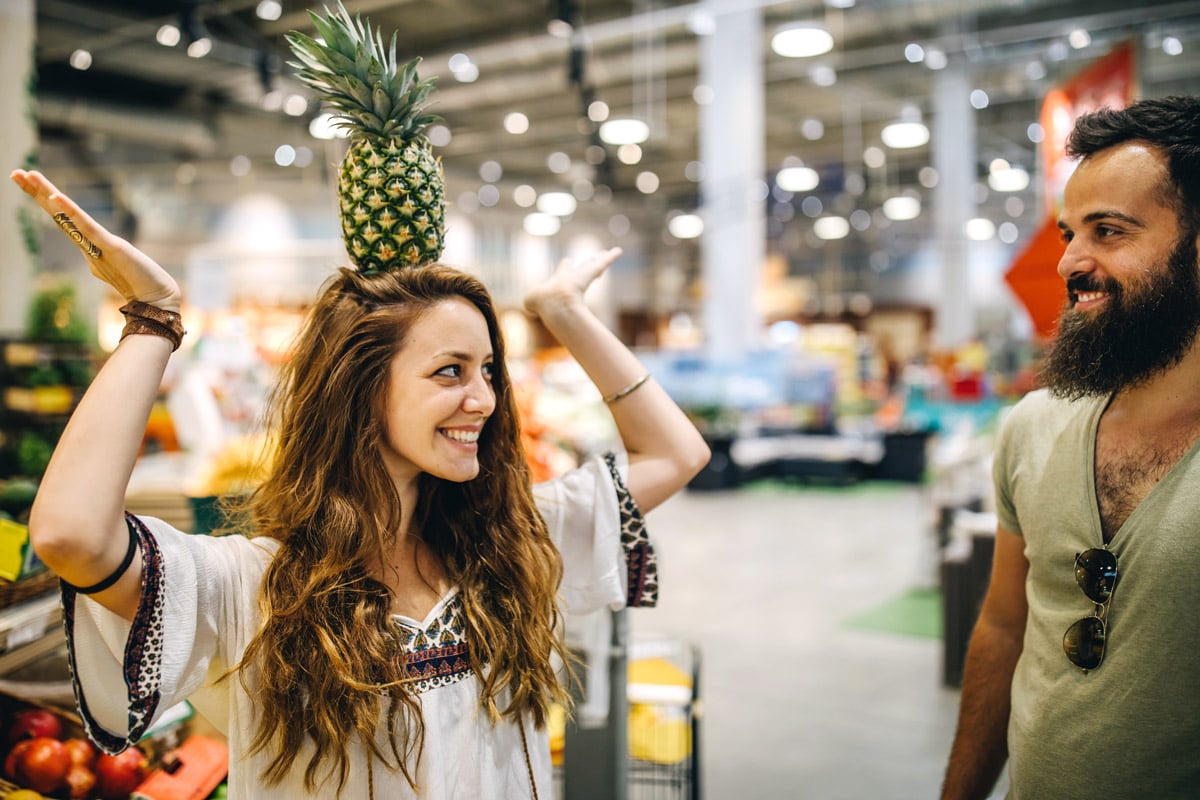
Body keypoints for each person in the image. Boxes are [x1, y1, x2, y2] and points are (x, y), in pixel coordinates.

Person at [9, 168, 710, 799]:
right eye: (450, 371)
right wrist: (153, 318)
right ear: (363, 391)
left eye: (488, 370)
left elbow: (677, 454)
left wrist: (563, 312)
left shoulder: (509, 544)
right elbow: (72, 535)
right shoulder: (254, 591)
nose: (487, 399)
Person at [941, 95, 1200, 799]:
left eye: (1108, 231)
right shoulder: (1033, 425)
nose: (1069, 264)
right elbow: (1001, 625)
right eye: (1068, 233)